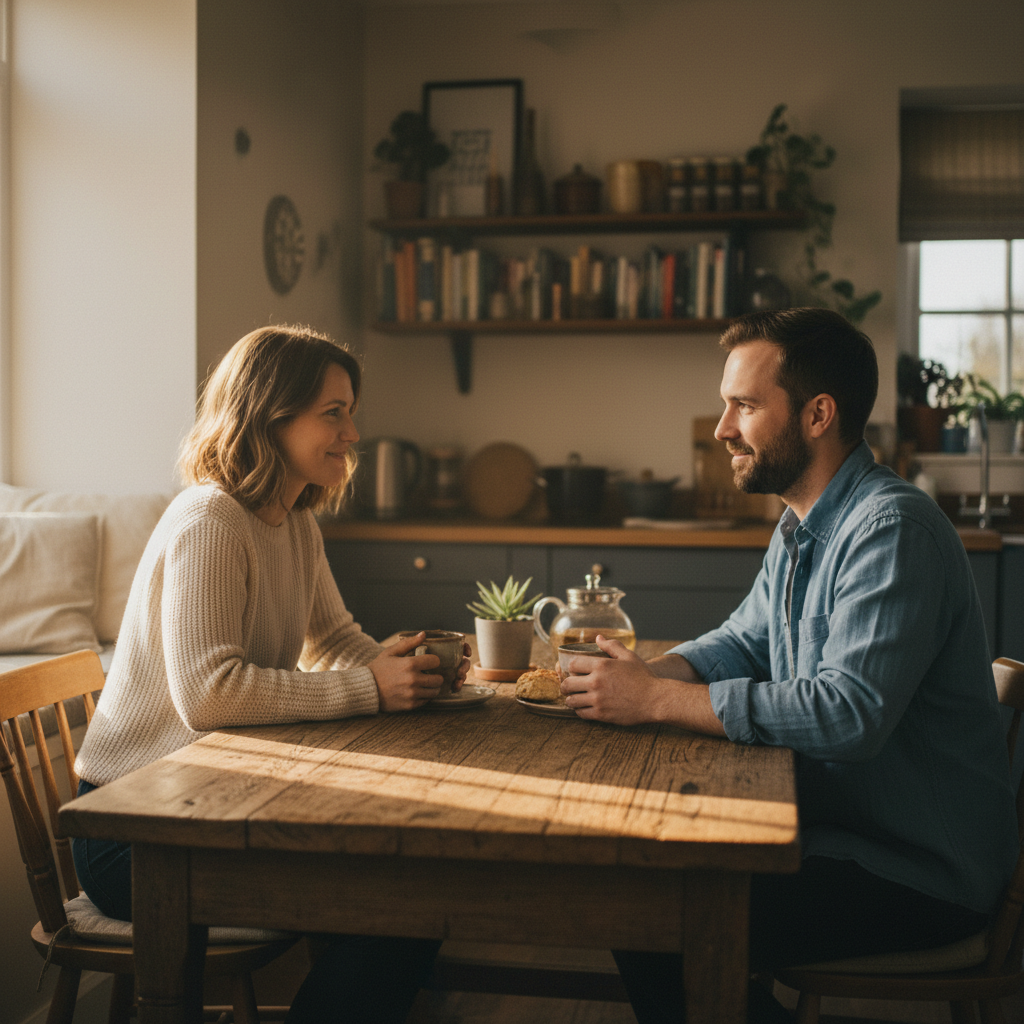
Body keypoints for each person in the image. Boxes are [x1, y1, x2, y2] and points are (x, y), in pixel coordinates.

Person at [558, 308, 1019, 1023]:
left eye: (743, 405)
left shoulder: (890, 530)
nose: (720, 428)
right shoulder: (805, 521)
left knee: (650, 910)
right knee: (648, 899)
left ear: (817, 414)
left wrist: (653, 701)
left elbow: (848, 716)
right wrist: (644, 675)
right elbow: (745, 640)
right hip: (849, 834)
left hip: (921, 872)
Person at [73, 324, 469, 1024]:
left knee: (408, 895)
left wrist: (391, 667)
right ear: (270, 414)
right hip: (136, 832)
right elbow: (209, 693)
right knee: (401, 905)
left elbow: (334, 637)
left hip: (208, 805)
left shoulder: (291, 520)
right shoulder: (210, 521)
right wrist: (368, 687)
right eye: (333, 413)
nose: (353, 432)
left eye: (351, 411)